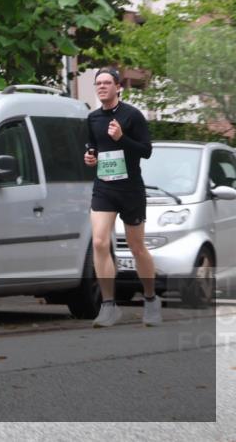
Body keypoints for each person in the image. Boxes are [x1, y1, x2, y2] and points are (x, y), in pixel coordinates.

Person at [84, 68, 160, 328]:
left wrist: (122, 138)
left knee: (137, 248)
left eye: (107, 83)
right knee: (99, 242)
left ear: (118, 87)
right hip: (104, 187)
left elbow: (146, 151)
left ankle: (150, 299)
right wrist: (90, 157)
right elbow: (92, 147)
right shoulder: (92, 118)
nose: (102, 87)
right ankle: (108, 306)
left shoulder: (132, 116)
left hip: (130, 190)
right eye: (98, 83)